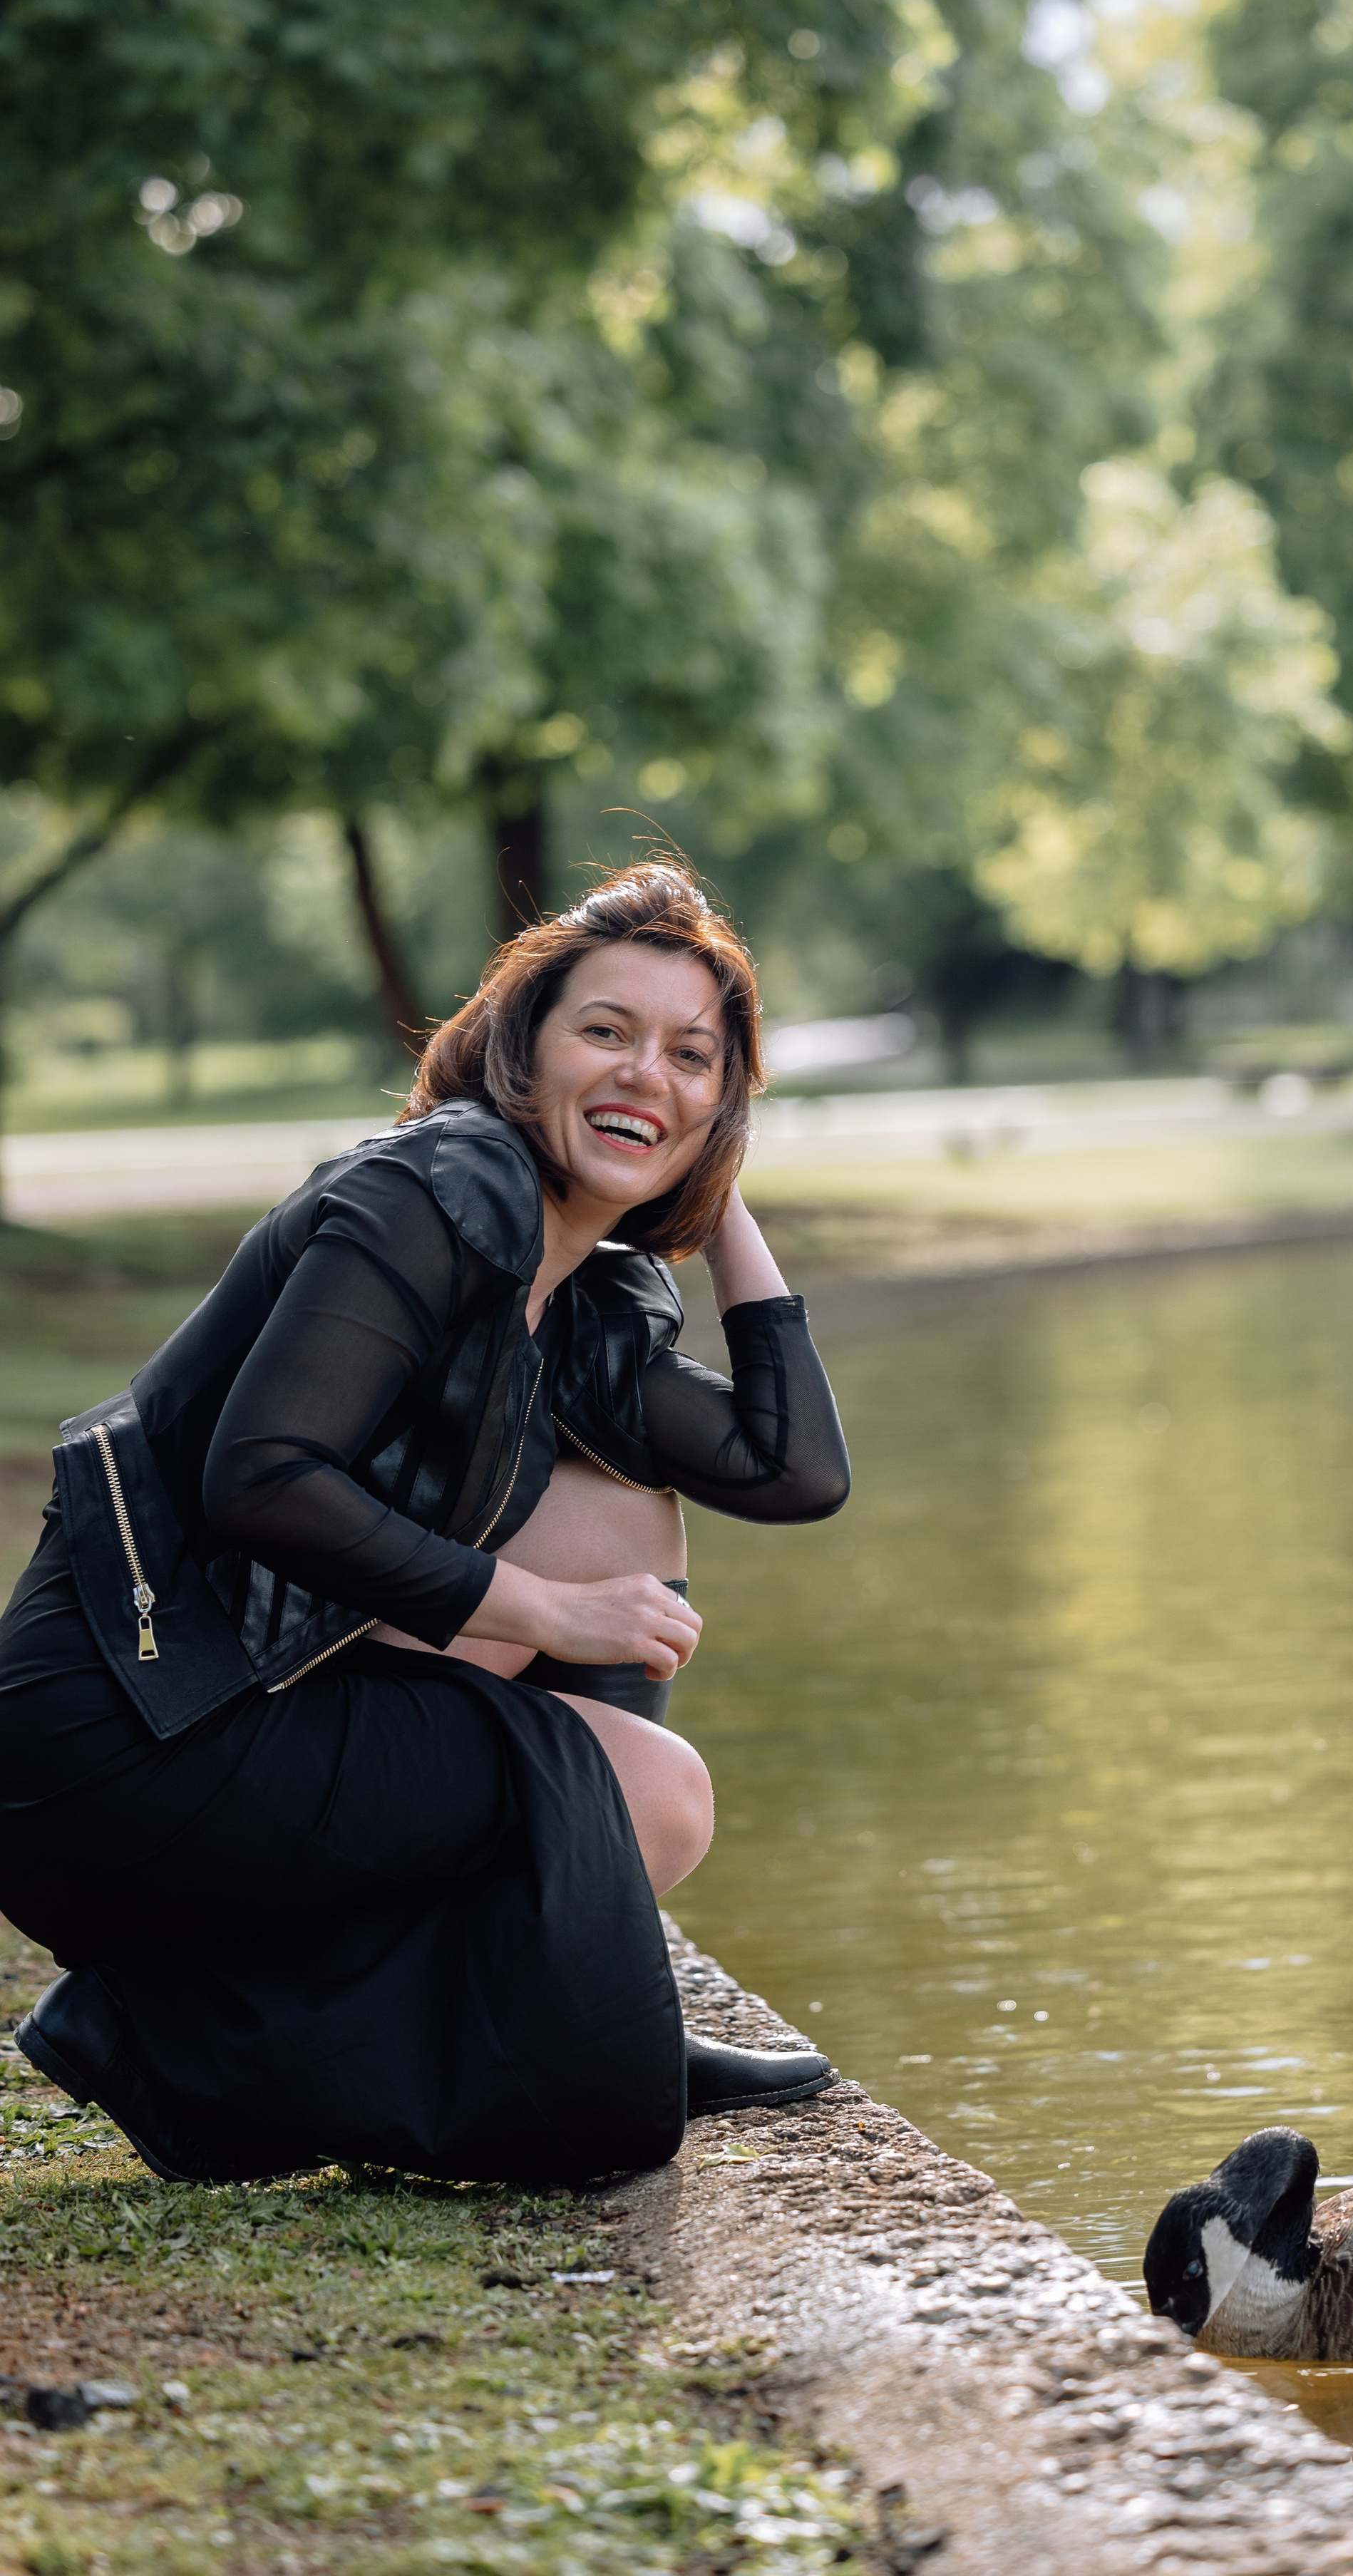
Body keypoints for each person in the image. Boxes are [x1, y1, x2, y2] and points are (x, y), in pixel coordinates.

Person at [0, 860, 850, 2185]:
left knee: (618, 1515)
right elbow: (265, 1476)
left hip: (230, 1707)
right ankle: (213, 2039)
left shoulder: (573, 1296)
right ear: (525, 1046)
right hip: (115, 1743)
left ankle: (551, 1984)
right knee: (660, 1802)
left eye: (695, 1057)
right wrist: (546, 1616)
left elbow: (792, 1469)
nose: (647, 1075)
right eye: (607, 1035)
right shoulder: (437, 1191)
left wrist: (711, 1169)